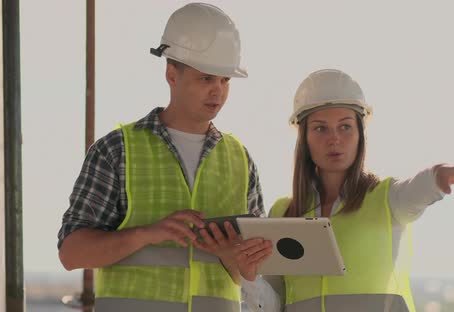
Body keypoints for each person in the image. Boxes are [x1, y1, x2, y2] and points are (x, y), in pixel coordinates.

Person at [57, 3, 273, 311]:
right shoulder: (117, 150)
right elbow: (71, 253)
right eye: (206, 78)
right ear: (172, 74)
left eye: (225, 81)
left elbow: (252, 272)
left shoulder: (240, 159)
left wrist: (232, 255)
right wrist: (148, 233)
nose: (218, 91)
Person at [241, 68, 454, 312]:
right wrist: (248, 278)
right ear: (304, 138)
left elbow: (419, 187)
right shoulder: (282, 212)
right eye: (320, 128)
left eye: (345, 127)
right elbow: (275, 305)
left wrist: (441, 175)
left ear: (360, 133)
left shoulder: (388, 200)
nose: (334, 139)